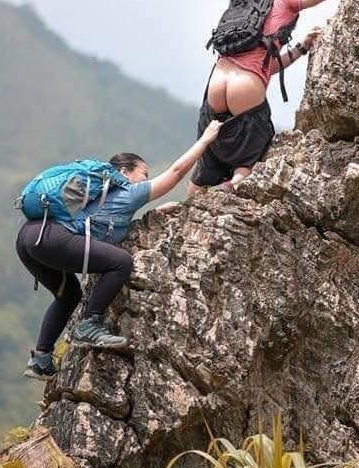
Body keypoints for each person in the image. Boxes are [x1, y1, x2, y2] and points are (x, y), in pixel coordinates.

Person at [17, 119, 222, 379]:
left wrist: (156, 214)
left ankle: (41, 360)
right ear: (124, 172)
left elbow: (104, 227)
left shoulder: (100, 197)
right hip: (51, 237)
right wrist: (205, 140)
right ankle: (89, 325)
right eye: (143, 173)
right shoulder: (126, 191)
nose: (145, 179)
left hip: (28, 237)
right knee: (121, 262)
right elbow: (176, 172)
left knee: (69, 296)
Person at [189, 0, 352, 194]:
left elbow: (266, 67)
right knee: (253, 152)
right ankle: (233, 185)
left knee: (208, 158)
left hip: (216, 83)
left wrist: (301, 48)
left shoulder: (245, 7)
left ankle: (191, 200)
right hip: (246, 88)